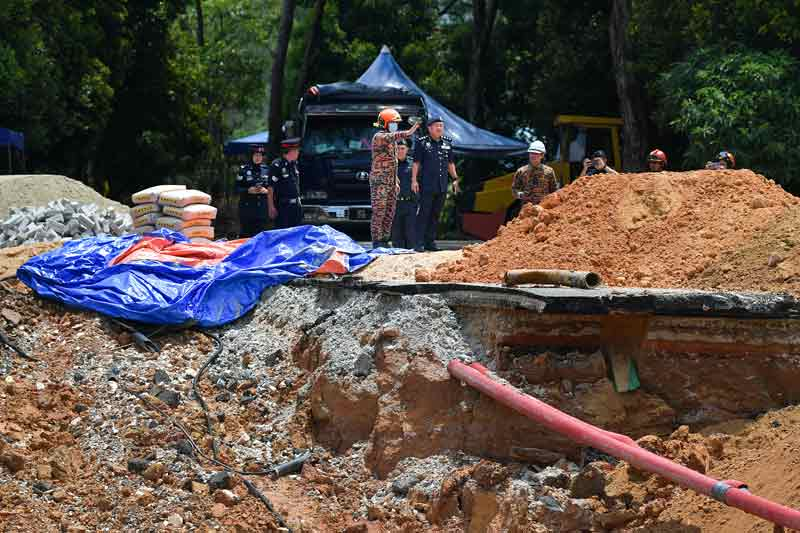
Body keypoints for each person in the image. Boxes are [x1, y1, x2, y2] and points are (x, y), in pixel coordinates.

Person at [368, 108, 420, 248]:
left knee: (389, 212)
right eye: (393, 123)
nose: (395, 125)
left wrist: (396, 180)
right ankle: (377, 241)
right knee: (379, 211)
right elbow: (393, 136)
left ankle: (384, 239)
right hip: (380, 181)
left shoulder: (393, 142)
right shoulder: (379, 136)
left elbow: (394, 162)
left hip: (391, 181)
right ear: (385, 123)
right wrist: (408, 132)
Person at [412, 117, 460, 252]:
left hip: (441, 184)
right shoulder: (422, 143)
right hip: (426, 184)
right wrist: (413, 180)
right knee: (424, 213)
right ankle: (418, 243)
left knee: (435, 214)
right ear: (429, 128)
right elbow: (416, 163)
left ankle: (430, 242)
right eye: (436, 125)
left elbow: (451, 163)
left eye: (441, 126)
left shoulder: (447, 143)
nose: (439, 128)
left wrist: (455, 178)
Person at [236, 145, 272, 237]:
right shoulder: (243, 170)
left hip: (262, 211)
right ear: (251, 156)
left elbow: (272, 187)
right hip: (247, 210)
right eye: (255, 155)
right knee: (246, 237)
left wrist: (266, 191)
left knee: (260, 237)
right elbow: (236, 188)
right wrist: (248, 190)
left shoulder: (267, 170)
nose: (258, 158)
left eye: (260, 155)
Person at [267, 137, 303, 229]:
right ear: (290, 151)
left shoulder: (294, 164)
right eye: (296, 150)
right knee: (283, 235)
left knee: (296, 234)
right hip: (284, 207)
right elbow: (270, 188)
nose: (298, 152)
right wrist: (271, 207)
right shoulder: (277, 165)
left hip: (296, 207)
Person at [511, 140, 559, 208]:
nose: (533, 155)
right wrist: (521, 195)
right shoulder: (521, 171)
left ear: (542, 155)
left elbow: (554, 190)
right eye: (531, 153)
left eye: (536, 153)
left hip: (544, 209)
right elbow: (514, 190)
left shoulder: (549, 171)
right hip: (527, 210)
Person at [390, 140, 417, 249]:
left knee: (411, 235)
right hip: (394, 204)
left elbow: (421, 183)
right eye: (398, 148)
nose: (400, 151)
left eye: (402, 148)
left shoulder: (413, 164)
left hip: (410, 203)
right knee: (396, 236)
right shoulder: (389, 165)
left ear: (407, 149)